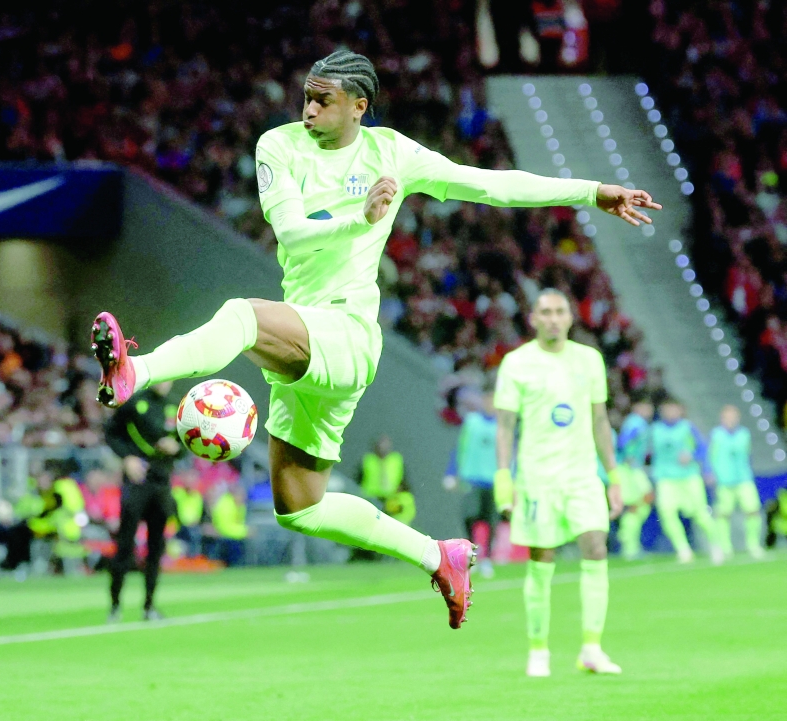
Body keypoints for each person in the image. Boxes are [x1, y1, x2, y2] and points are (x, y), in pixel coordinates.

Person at [89, 49, 661, 630]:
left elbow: (489, 185)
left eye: (323, 100)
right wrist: (358, 219)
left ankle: (136, 371)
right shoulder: (279, 146)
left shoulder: (392, 153)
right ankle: (439, 556)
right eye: (306, 96)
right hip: (305, 336)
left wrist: (592, 191)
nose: (308, 108)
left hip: (348, 333)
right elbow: (289, 230)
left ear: (359, 106)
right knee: (300, 507)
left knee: (242, 316)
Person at [494, 289, 625, 676]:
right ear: (533, 319)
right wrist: (504, 476)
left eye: (560, 311)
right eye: (545, 312)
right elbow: (505, 426)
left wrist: (613, 476)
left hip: (582, 475)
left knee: (596, 545)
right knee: (542, 558)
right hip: (537, 477)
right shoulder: (516, 364)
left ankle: (591, 648)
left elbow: (601, 421)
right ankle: (538, 649)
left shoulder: (589, 360)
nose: (553, 318)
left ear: (571, 317)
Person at [103, 381, 181, 623]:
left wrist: (177, 447)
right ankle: (115, 605)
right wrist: (126, 457)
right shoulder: (135, 402)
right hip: (137, 482)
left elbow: (189, 441)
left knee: (156, 547)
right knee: (125, 545)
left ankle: (149, 606)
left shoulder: (176, 407)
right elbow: (111, 431)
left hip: (162, 482)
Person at [651, 400, 722, 565]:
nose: (670, 412)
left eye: (673, 409)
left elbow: (703, 449)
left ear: (680, 410)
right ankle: (683, 550)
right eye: (667, 409)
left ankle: (716, 546)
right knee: (667, 514)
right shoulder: (655, 430)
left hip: (688, 477)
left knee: (701, 514)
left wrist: (698, 462)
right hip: (666, 478)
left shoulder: (687, 428)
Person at [444, 390, 499, 578]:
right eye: (487, 399)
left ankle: (487, 560)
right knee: (469, 517)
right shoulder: (472, 422)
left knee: (491, 521)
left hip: (493, 479)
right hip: (471, 479)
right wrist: (451, 473)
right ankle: (471, 557)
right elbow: (460, 447)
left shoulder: (502, 425)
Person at [709, 405, 764, 559]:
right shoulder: (717, 434)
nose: (731, 420)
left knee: (753, 510)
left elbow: (747, 454)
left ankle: (753, 545)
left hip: (744, 478)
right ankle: (725, 547)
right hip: (724, 481)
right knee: (723, 514)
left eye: (733, 417)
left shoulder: (744, 434)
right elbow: (712, 455)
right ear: (722, 419)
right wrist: (713, 473)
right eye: (727, 417)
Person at [615, 401, 655, 560]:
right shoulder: (634, 423)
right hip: (629, 470)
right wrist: (628, 457)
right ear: (636, 408)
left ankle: (630, 544)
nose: (649, 410)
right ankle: (627, 543)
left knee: (640, 505)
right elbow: (623, 441)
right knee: (638, 503)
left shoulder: (641, 423)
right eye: (645, 407)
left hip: (633, 468)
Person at [359, 435, 403, 501]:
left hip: (390, 499)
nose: (382, 448)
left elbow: (403, 481)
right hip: (370, 497)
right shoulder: (369, 459)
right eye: (380, 445)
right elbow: (359, 478)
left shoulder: (396, 460)